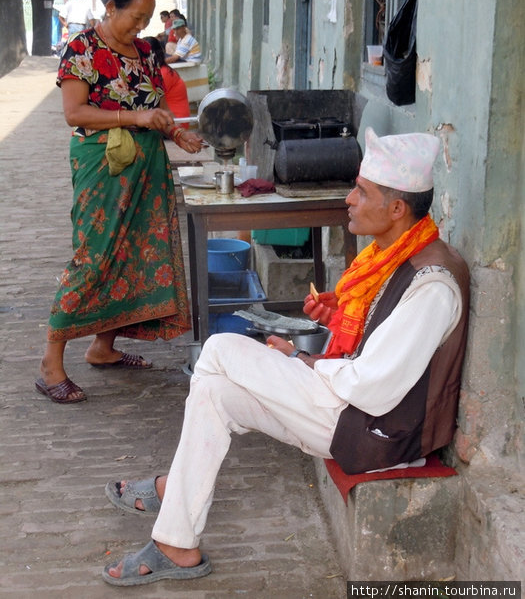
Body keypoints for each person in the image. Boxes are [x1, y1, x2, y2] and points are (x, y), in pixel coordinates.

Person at [101, 127, 470, 586]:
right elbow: (375, 348)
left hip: (375, 432)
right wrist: (313, 345)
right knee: (214, 389)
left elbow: (373, 385)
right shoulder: (396, 256)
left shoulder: (432, 283)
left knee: (217, 348)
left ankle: (170, 490)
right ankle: (177, 541)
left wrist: (303, 362)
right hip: (352, 410)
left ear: (397, 209)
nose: (350, 200)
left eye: (362, 191)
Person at [35, 0, 205, 405]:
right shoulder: (82, 49)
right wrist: (135, 117)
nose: (141, 27)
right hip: (104, 166)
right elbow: (75, 114)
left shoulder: (147, 52)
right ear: (110, 8)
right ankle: (50, 363)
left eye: (146, 20)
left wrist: (178, 134)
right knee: (94, 256)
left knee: (132, 254)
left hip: (147, 166)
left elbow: (157, 108)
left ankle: (103, 347)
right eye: (134, 17)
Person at [143, 37, 191, 125]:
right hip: (172, 119)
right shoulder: (164, 70)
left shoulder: (163, 73)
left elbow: (148, 101)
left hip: (175, 122)